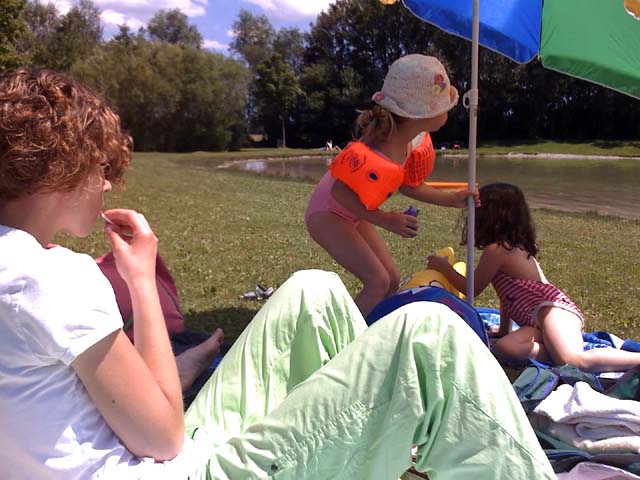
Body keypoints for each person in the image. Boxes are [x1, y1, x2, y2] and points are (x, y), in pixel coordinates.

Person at [0, 69, 556, 479]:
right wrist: (142, 281)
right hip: (175, 468)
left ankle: (369, 434)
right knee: (429, 337)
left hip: (154, 455)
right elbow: (163, 441)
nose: (107, 184)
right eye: (102, 168)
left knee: (314, 290)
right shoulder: (50, 278)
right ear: (60, 168)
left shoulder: (17, 267)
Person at [305, 55, 479, 316]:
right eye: (444, 105)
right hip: (328, 215)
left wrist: (451, 199)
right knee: (378, 281)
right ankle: (340, 338)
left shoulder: (410, 141)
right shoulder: (378, 148)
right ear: (421, 115)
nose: (448, 110)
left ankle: (373, 327)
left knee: (392, 278)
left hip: (356, 212)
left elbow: (409, 186)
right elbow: (339, 192)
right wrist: (385, 219)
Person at [427, 182, 640, 372]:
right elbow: (508, 295)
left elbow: (472, 288)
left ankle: (633, 360)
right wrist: (503, 330)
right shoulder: (506, 247)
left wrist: (445, 268)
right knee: (505, 348)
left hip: (553, 311)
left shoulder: (498, 249)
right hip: (534, 322)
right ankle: (555, 352)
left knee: (573, 361)